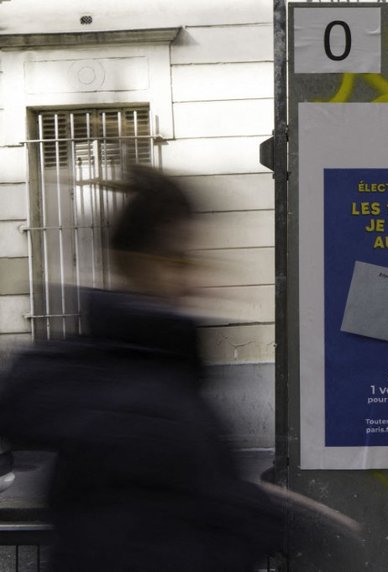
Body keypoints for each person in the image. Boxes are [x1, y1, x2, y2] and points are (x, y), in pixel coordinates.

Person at [0, 166, 286, 571]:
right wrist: (252, 519)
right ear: (132, 262)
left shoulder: (139, 373)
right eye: (179, 259)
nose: (197, 280)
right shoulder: (144, 398)